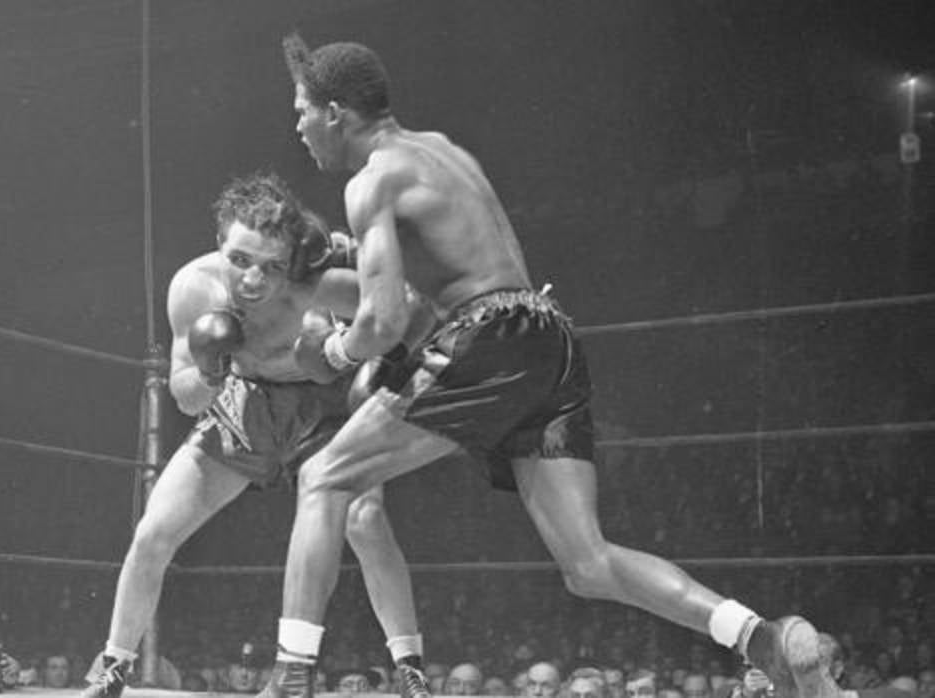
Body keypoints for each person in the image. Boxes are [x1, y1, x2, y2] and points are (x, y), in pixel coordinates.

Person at [260, 32, 840, 698]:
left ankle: (290, 676)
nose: (297, 126)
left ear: (335, 111)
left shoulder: (373, 181)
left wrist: (330, 351)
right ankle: (759, 636)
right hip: (548, 337)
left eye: (302, 108)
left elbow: (385, 322)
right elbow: (429, 294)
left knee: (323, 477)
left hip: (490, 337)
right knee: (587, 563)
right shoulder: (443, 149)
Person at [81, 172, 436, 698]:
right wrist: (209, 370)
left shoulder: (318, 287)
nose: (253, 279)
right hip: (243, 402)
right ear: (219, 242)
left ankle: (410, 670)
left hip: (326, 405)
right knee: (154, 530)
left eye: (272, 265)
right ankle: (113, 666)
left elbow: (405, 310)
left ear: (292, 259)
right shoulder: (192, 288)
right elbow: (184, 394)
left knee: (365, 518)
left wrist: (363, 356)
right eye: (240, 260)